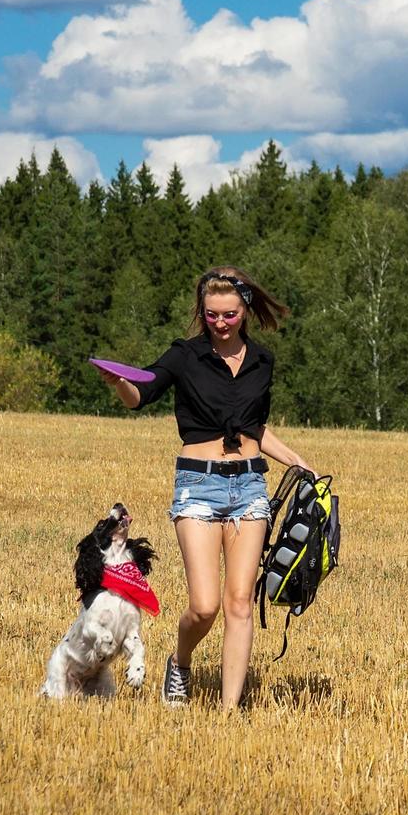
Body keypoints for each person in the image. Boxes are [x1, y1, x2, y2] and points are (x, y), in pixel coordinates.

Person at [98, 266, 311, 711]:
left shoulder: (262, 361)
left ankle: (230, 712)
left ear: (245, 312)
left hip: (251, 486)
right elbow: (144, 393)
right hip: (198, 486)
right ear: (203, 312)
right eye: (212, 314)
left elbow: (256, 427)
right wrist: (120, 383)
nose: (220, 323)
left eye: (229, 314)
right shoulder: (184, 356)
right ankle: (180, 660)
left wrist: (296, 460)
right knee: (206, 606)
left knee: (240, 603)